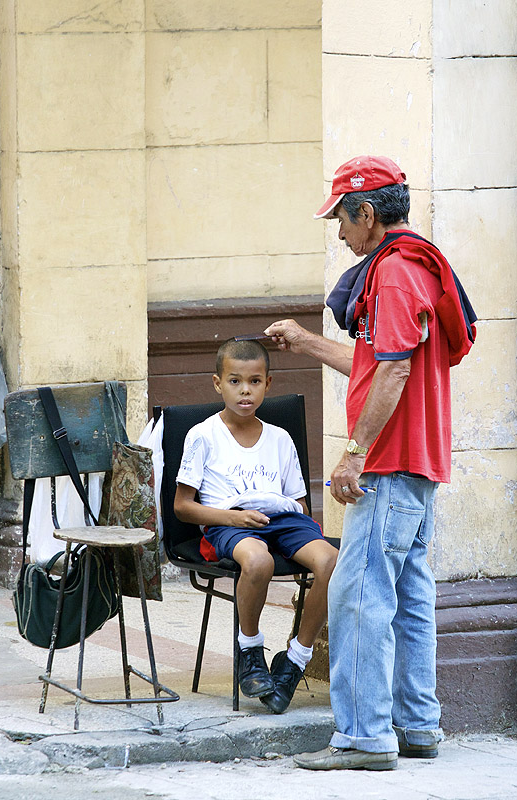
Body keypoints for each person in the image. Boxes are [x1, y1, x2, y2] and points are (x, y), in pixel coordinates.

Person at [266, 155, 471, 770]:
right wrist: (304, 342)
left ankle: (363, 737)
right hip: (415, 462)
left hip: (387, 466)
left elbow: (394, 369)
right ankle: (417, 726)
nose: (340, 234)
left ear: (368, 212)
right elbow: (375, 359)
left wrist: (355, 454)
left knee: (358, 596)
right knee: (408, 595)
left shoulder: (395, 273)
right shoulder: (411, 267)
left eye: (343, 220)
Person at [174, 339, 338, 714]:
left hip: (281, 521)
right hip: (229, 523)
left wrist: (280, 510)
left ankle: (296, 658)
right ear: (218, 384)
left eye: (254, 381)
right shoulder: (203, 435)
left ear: (268, 384)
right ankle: (250, 650)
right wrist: (233, 517)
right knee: (259, 560)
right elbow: (182, 507)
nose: (245, 390)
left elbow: (299, 503)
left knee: (331, 561)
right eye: (234, 381)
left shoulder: (280, 439)